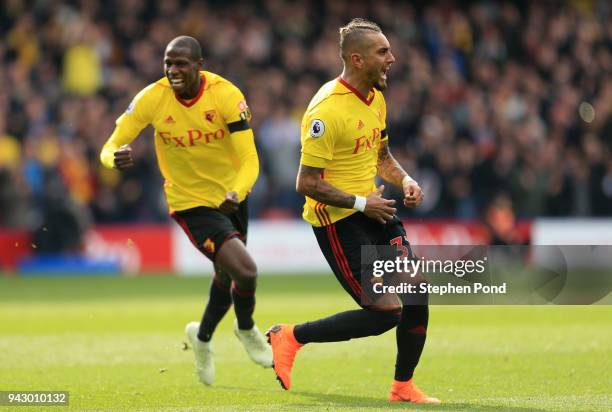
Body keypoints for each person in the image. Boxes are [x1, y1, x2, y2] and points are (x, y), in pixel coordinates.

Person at [266, 19, 440, 404]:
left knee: (415, 291)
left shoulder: (376, 97)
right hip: (339, 220)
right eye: (383, 53)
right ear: (357, 59)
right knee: (384, 313)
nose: (392, 59)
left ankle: (402, 387)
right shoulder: (325, 111)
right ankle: (290, 336)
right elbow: (306, 183)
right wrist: (363, 203)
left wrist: (406, 180)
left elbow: (380, 155)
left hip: (374, 209)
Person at [100, 36, 272, 385]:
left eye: (181, 63)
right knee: (247, 271)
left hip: (231, 196)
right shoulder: (152, 98)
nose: (173, 70)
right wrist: (111, 159)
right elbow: (111, 143)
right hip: (189, 202)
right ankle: (246, 327)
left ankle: (202, 337)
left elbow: (250, 159)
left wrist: (237, 191)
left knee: (226, 276)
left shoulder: (226, 95)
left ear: (199, 65)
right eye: (168, 63)